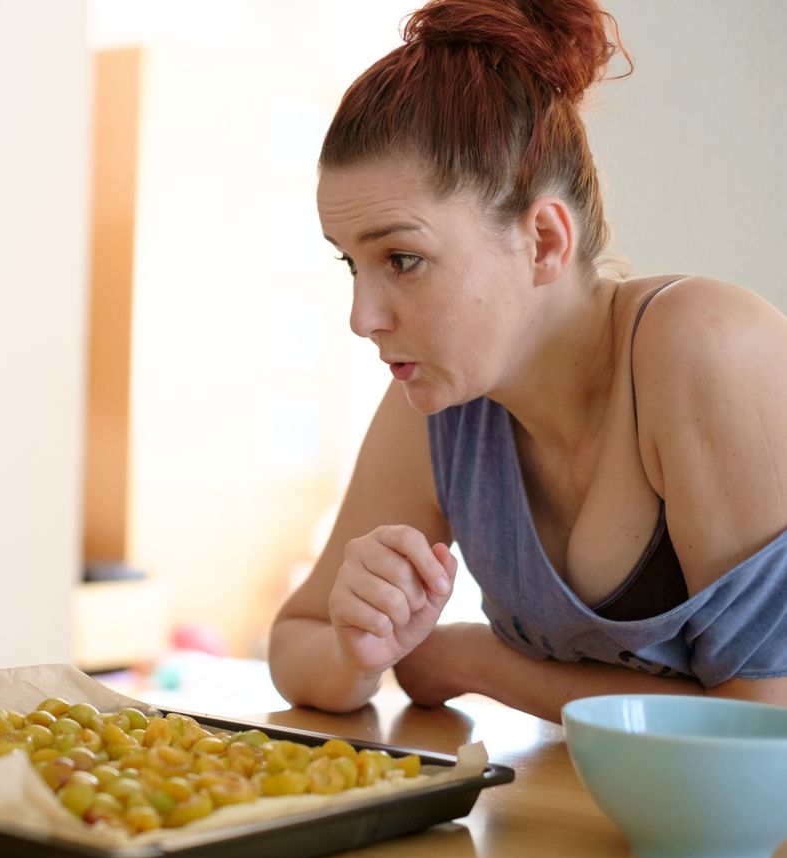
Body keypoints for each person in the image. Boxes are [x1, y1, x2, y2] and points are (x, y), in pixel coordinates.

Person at [269, 0, 787, 723]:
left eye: (403, 259)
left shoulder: (709, 346)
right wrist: (359, 652)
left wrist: (473, 660)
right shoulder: (441, 405)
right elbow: (296, 638)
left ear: (543, 241)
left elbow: (763, 725)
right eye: (351, 264)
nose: (362, 318)